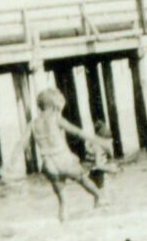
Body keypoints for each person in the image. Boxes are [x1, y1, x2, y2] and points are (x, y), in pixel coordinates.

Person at [17, 83, 107, 217]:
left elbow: (21, 144)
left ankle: (64, 217)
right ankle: (99, 197)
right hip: (63, 158)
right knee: (83, 179)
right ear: (54, 105)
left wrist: (11, 164)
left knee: (62, 198)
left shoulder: (33, 124)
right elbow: (77, 132)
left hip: (48, 163)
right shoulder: (56, 118)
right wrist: (98, 140)